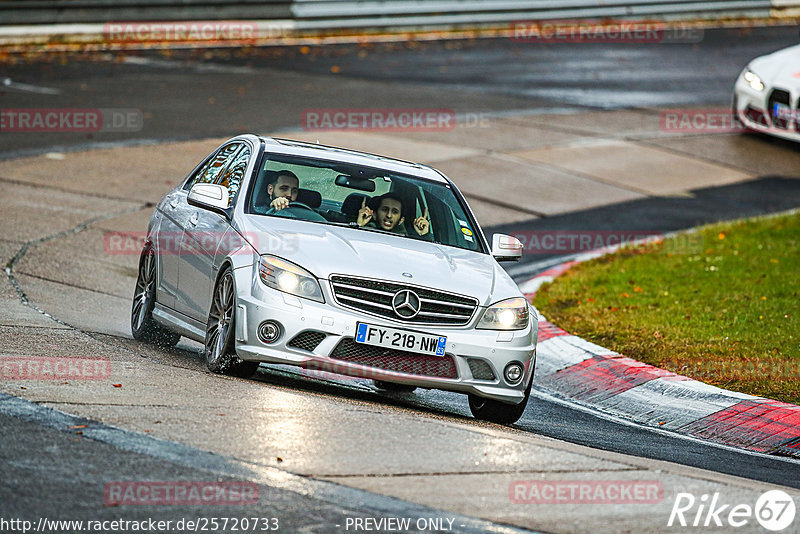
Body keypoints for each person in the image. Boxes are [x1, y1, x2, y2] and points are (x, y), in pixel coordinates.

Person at [357, 192, 431, 239]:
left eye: (395, 212)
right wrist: (359, 226)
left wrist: (423, 236)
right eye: (385, 209)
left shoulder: (407, 242)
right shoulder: (363, 234)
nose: (389, 215)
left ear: (401, 220)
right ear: (374, 214)